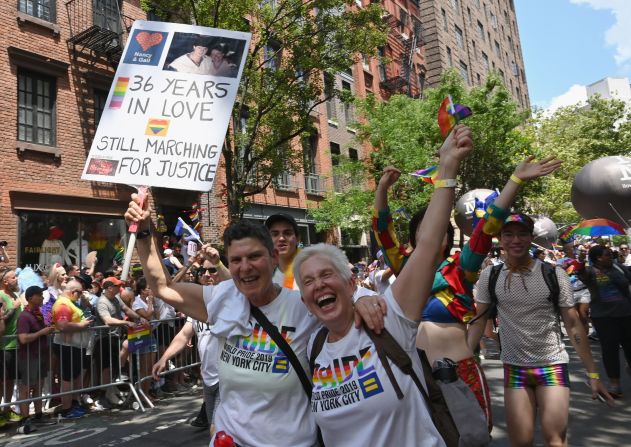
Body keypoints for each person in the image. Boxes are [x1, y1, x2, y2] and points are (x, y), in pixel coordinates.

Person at [125, 198, 385, 447]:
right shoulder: (223, 297)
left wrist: (361, 303)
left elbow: (340, 305)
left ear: (273, 258)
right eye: (236, 260)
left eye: (254, 257)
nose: (245, 267)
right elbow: (162, 287)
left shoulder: (302, 307)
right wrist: (146, 231)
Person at [294, 123, 474, 446]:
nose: (318, 285)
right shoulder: (314, 346)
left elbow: (429, 245)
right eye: (308, 281)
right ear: (305, 300)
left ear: (351, 283)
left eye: (326, 275)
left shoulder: (388, 318)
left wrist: (447, 167)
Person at [374, 155, 563, 431]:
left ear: (447, 237)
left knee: (471, 439)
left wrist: (516, 179)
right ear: (414, 237)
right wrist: (381, 190)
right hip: (415, 376)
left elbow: (488, 226)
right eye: (423, 228)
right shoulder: (405, 270)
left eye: (437, 229)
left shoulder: (461, 269)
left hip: (459, 373)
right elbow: (383, 232)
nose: (430, 233)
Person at [469, 213, 612, 447]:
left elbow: (573, 324)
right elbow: (478, 320)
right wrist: (464, 361)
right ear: (500, 239)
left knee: (555, 440)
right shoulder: (490, 276)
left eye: (522, 233)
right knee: (521, 442)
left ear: (531, 237)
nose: (516, 240)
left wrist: (593, 373)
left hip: (552, 366)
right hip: (515, 368)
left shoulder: (553, 274)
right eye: (509, 234)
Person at [577, 245, 631, 398]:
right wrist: (580, 262)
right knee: (610, 351)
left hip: (626, 314)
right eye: (607, 255)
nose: (610, 257)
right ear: (597, 258)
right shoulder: (590, 271)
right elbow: (582, 275)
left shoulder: (619, 268)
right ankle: (615, 385)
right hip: (604, 318)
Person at [51, 279, 93, 419]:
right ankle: (67, 409)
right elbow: (62, 326)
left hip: (75, 346)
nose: (81, 295)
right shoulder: (63, 304)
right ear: (73, 291)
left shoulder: (72, 302)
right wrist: (82, 325)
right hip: (67, 346)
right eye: (80, 293)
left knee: (74, 377)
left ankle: (74, 404)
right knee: (68, 378)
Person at [16, 286, 55, 424]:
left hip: (40, 356)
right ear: (31, 297)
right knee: (26, 388)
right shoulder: (24, 316)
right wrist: (42, 333)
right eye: (39, 295)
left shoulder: (37, 314)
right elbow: (23, 338)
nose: (42, 297)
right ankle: (25, 419)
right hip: (28, 358)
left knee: (38, 386)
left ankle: (39, 415)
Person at [0, 267, 23, 425]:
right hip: (4, 347)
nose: (16, 279)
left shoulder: (14, 295)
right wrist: (13, 308)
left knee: (10, 381)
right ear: (5, 281)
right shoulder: (1, 296)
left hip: (16, 346)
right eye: (13, 277)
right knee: (2, 381)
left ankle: (7, 411)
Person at [264, 213, 301, 290]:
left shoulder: (312, 268)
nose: (281, 238)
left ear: (298, 239)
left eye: (287, 233)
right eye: (275, 234)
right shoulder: (265, 275)